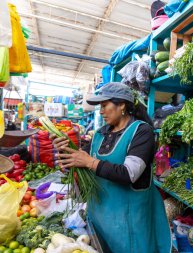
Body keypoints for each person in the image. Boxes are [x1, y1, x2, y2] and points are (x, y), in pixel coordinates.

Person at [51, 82, 171, 253]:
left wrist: (89, 162)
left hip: (129, 221)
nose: (101, 111)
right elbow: (78, 163)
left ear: (121, 104)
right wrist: (64, 151)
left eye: (104, 105)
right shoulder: (100, 134)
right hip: (100, 217)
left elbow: (129, 174)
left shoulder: (141, 132)